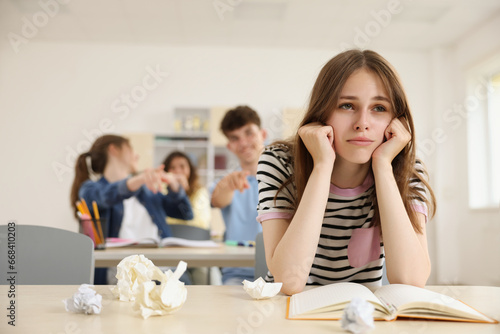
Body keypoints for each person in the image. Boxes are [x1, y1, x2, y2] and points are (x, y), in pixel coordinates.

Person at [256, 49, 436, 295]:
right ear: (323, 112)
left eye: (379, 108)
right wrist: (322, 165)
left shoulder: (405, 169)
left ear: (396, 121)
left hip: (360, 316)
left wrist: (382, 166)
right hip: (287, 313)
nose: (362, 123)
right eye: (347, 105)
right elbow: (288, 281)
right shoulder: (279, 161)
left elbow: (411, 280)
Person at [70, 134, 193, 284]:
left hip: (160, 267)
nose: (137, 155)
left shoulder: (146, 191)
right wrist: (138, 179)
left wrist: (175, 187)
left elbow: (186, 214)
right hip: (120, 272)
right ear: (113, 149)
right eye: (131, 149)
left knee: (182, 285)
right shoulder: (90, 188)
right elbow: (106, 195)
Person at [211, 106, 267, 285]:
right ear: (229, 146)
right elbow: (218, 200)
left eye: (249, 133)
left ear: (263, 134)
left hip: (278, 274)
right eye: (235, 138)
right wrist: (228, 185)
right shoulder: (226, 183)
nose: (243, 143)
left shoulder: (287, 178)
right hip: (237, 276)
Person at [163, 151, 211, 230]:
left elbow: (201, 223)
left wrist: (182, 193)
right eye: (172, 167)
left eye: (182, 166)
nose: (178, 171)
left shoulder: (200, 192)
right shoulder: (162, 192)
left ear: (190, 169)